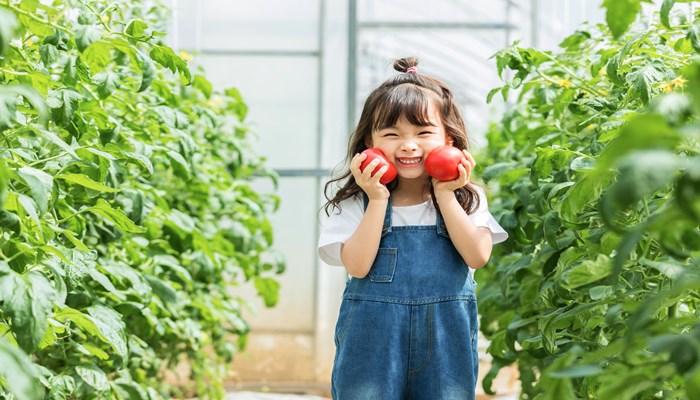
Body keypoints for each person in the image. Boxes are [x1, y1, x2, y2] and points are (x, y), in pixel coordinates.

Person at [318, 57, 508, 400]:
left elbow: (478, 256)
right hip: (372, 341)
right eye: (392, 135)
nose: (408, 145)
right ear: (368, 144)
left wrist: (446, 195)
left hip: (445, 342)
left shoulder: (467, 198)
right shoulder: (356, 202)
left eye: (424, 133)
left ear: (449, 139)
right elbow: (357, 266)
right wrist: (376, 200)